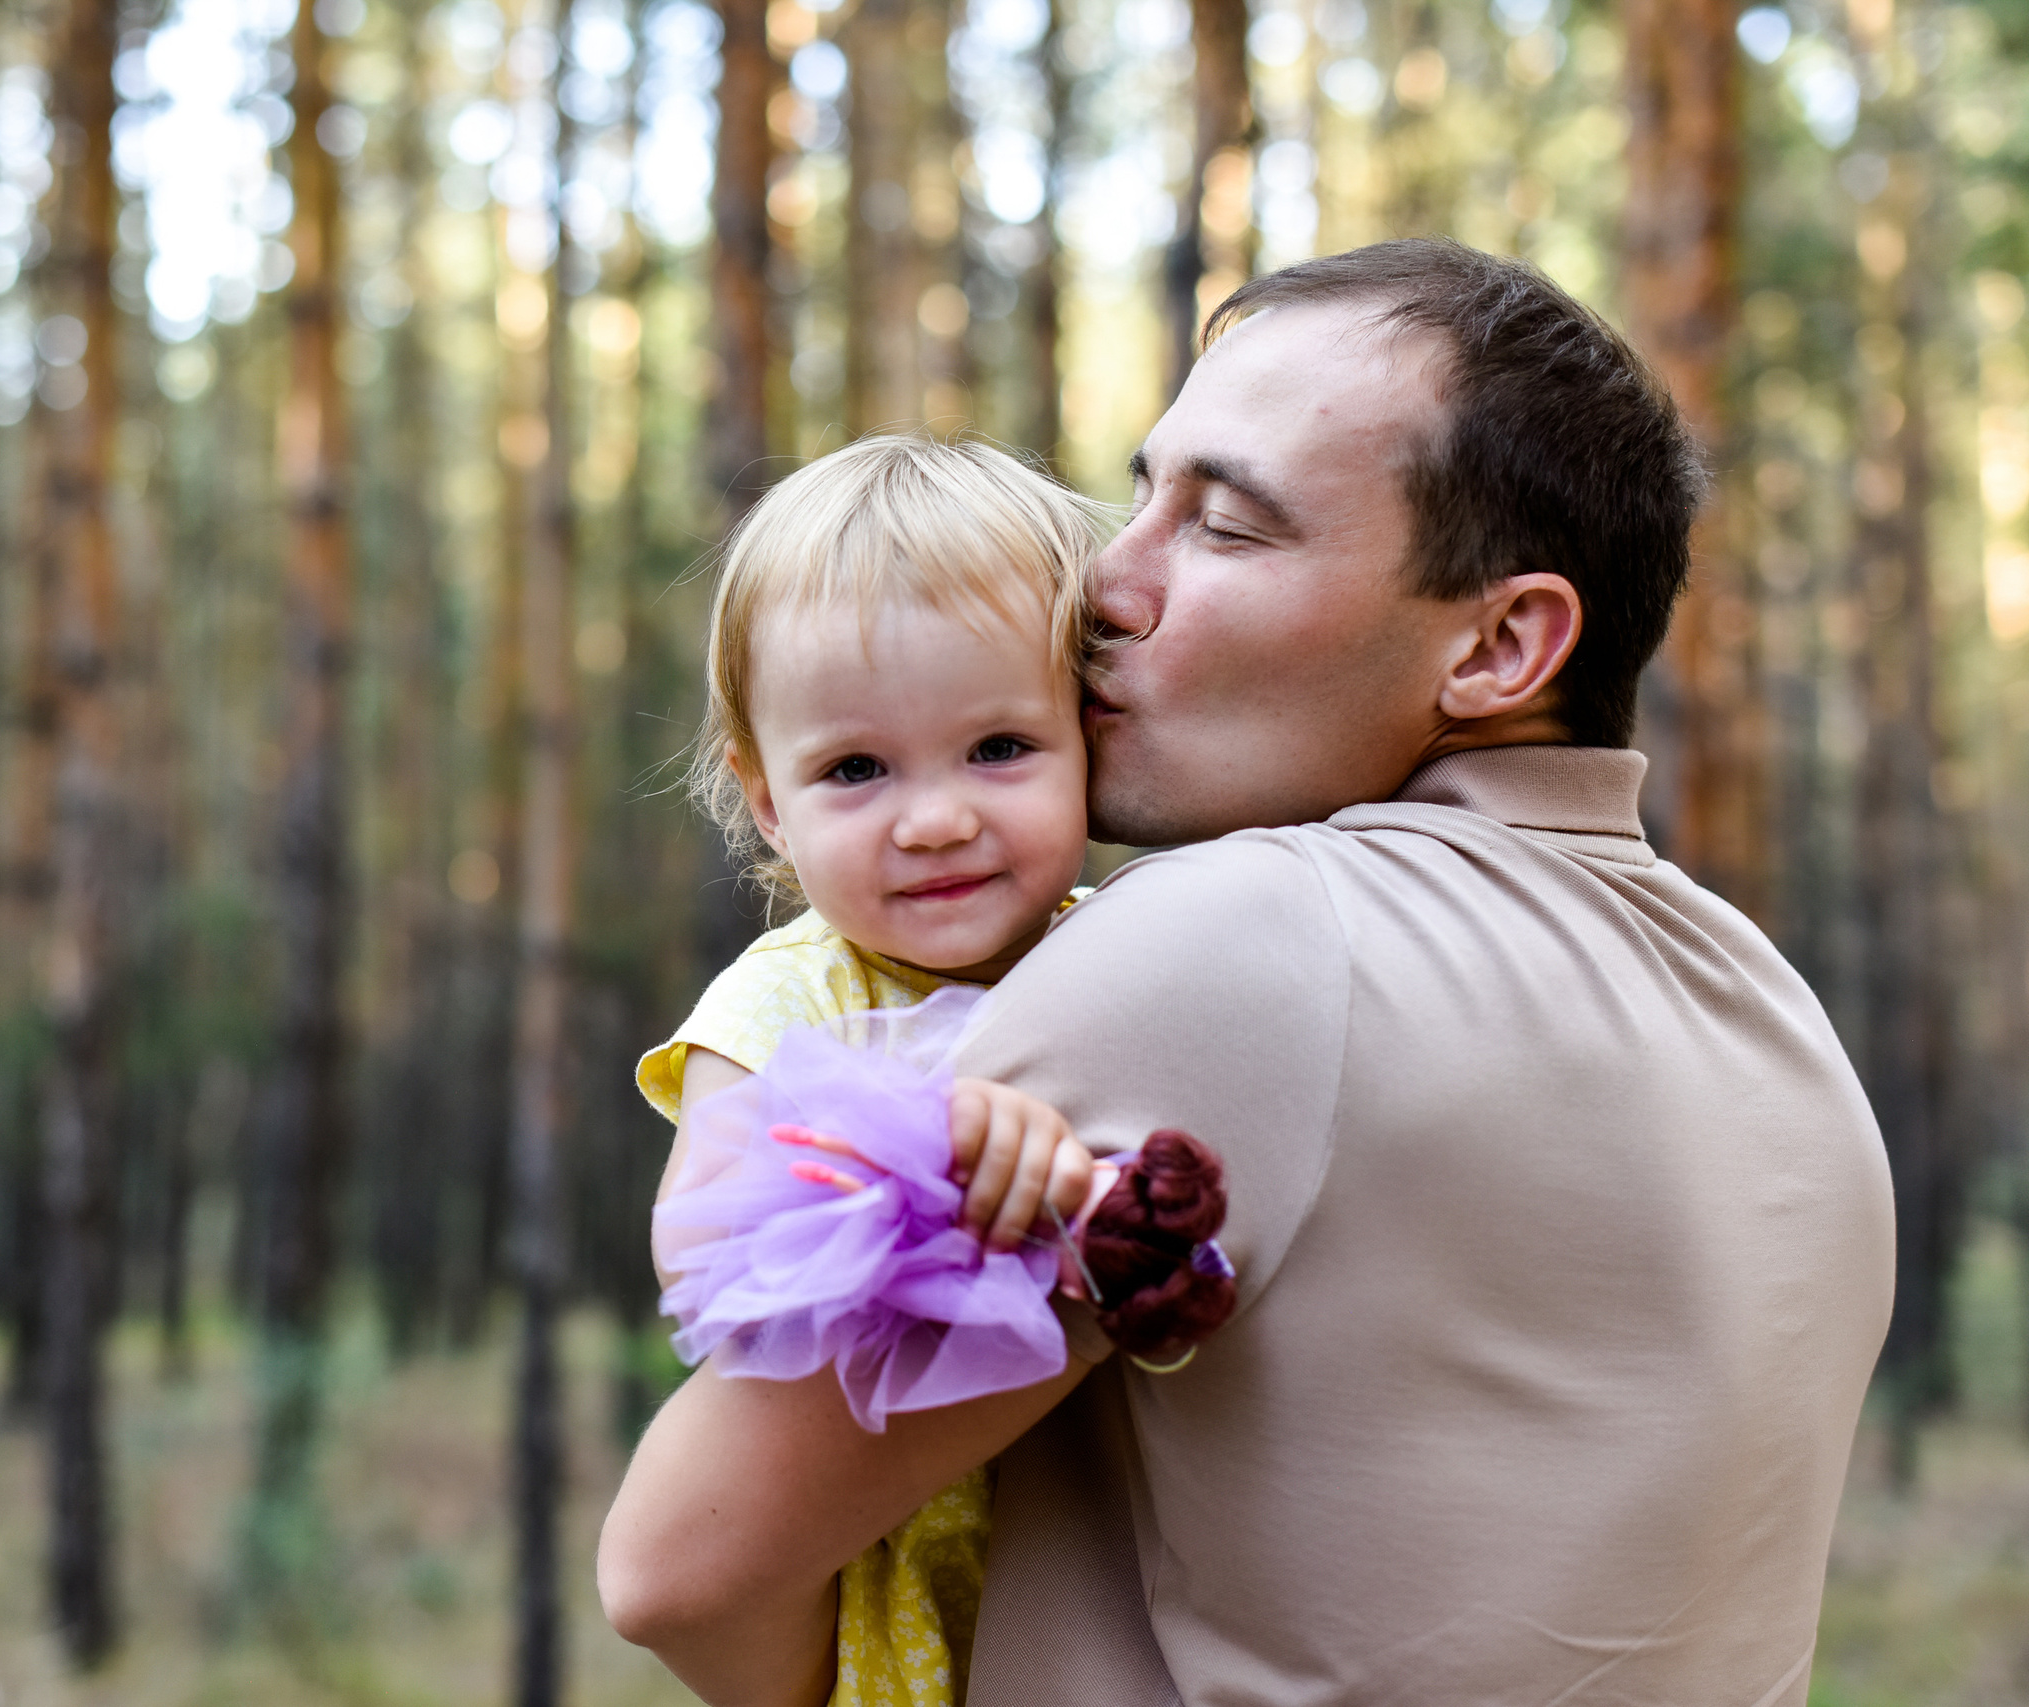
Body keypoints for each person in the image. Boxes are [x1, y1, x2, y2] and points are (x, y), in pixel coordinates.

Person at [600, 238, 1896, 1707]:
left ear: (1500, 644)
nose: (1104, 584)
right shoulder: (1769, 1010)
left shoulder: (1242, 936)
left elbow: (677, 1570)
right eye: (1139, 496)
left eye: (1222, 528)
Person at [635, 433, 1112, 1707]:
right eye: (855, 770)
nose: (937, 819)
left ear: (1089, 736)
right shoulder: (791, 999)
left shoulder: (1124, 953)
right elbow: (699, 1250)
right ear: (767, 802)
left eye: (998, 747)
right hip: (897, 1552)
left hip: (1110, 1536)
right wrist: (928, 1152)